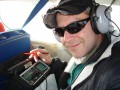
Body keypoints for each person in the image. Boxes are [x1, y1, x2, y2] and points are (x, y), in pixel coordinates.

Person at [29, 0, 120, 90]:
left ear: (99, 22)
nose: (66, 39)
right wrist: (52, 63)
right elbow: (75, 78)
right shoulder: (88, 49)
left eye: (74, 26)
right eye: (60, 31)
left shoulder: (115, 69)